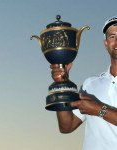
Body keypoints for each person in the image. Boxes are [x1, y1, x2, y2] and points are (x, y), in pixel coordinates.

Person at [50, 16, 117, 150]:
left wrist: (99, 109)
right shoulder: (90, 84)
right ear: (106, 43)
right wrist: (62, 86)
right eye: (112, 36)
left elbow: (96, 109)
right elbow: (66, 126)